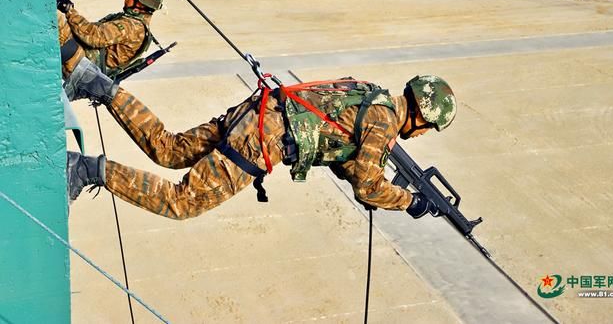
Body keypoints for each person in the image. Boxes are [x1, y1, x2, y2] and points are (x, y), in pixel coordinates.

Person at [64, 57, 457, 220]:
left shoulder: (372, 94)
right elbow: (369, 187)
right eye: (428, 128)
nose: (422, 134)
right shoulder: (383, 123)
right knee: (181, 202)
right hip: (259, 140)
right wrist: (410, 201)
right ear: (422, 119)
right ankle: (85, 170)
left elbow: (339, 149)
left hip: (255, 112)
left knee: (169, 148)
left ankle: (96, 83)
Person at [57, 0, 163, 78]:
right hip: (85, 59)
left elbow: (93, 36)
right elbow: (90, 29)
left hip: (84, 65)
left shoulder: (131, 27)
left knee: (57, 21)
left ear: (140, 4)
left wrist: (69, 10)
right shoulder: (133, 23)